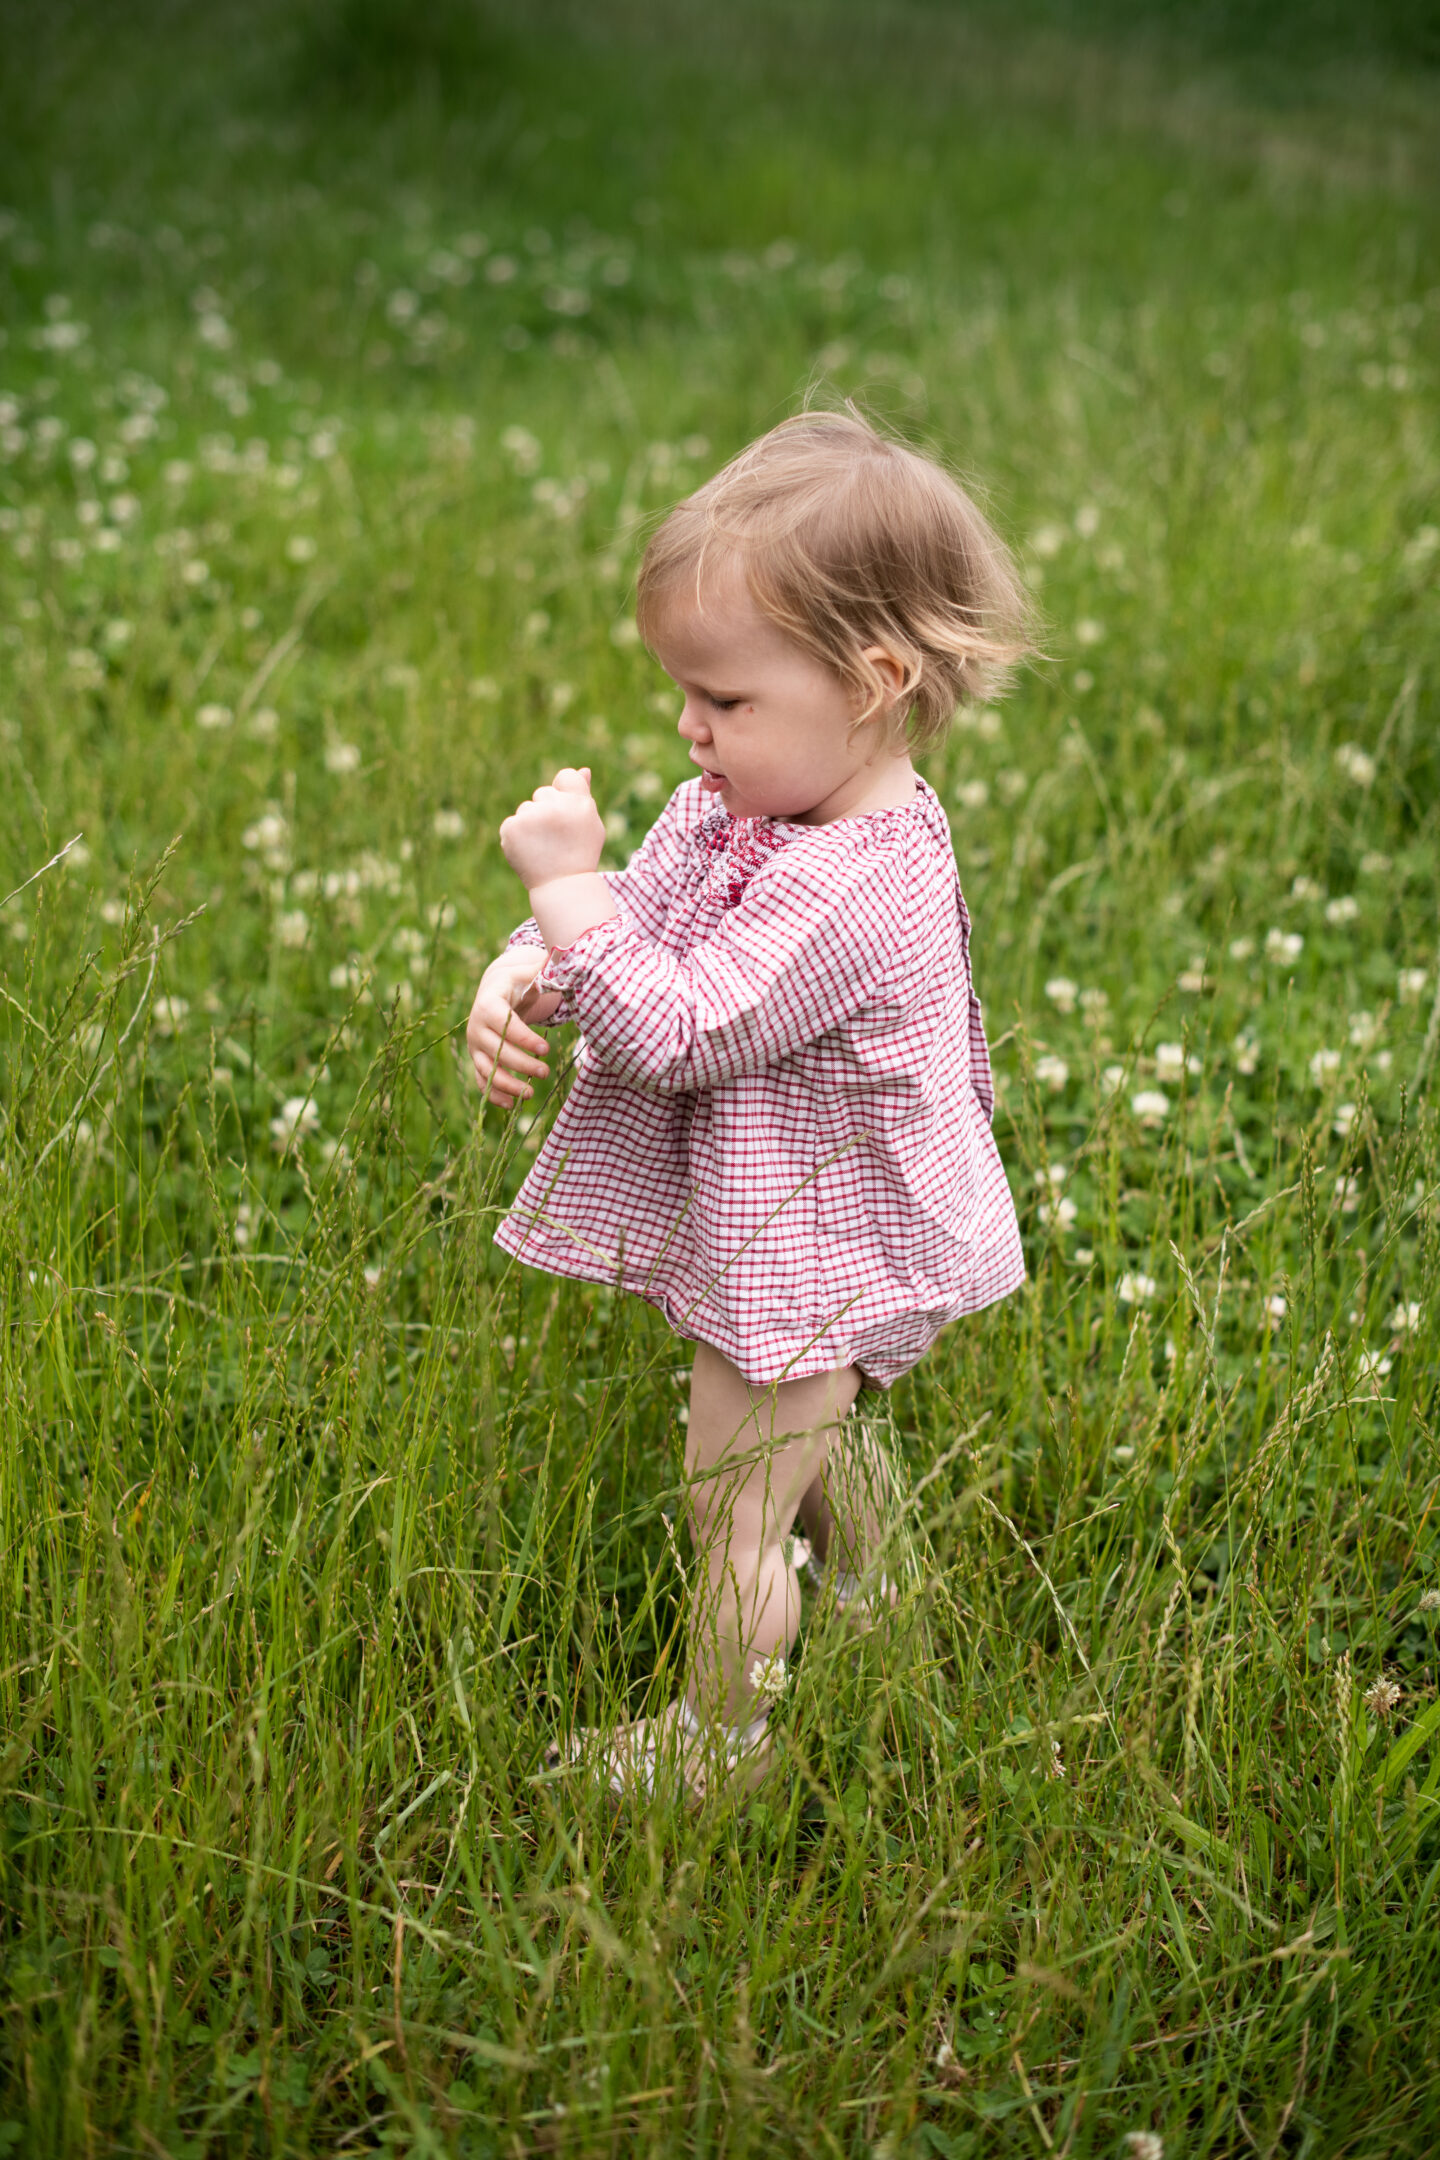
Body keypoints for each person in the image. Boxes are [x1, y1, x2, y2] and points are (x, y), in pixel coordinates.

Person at [466, 408, 1030, 1802]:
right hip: (793, 1219)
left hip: (820, 1235)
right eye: (683, 691)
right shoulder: (752, 806)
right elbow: (639, 925)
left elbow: (678, 1025)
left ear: (873, 680)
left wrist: (558, 891)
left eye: (724, 699)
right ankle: (888, 1604)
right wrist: (523, 967)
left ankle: (721, 1748)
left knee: (731, 1508)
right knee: (802, 1434)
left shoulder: (859, 879)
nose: (687, 726)